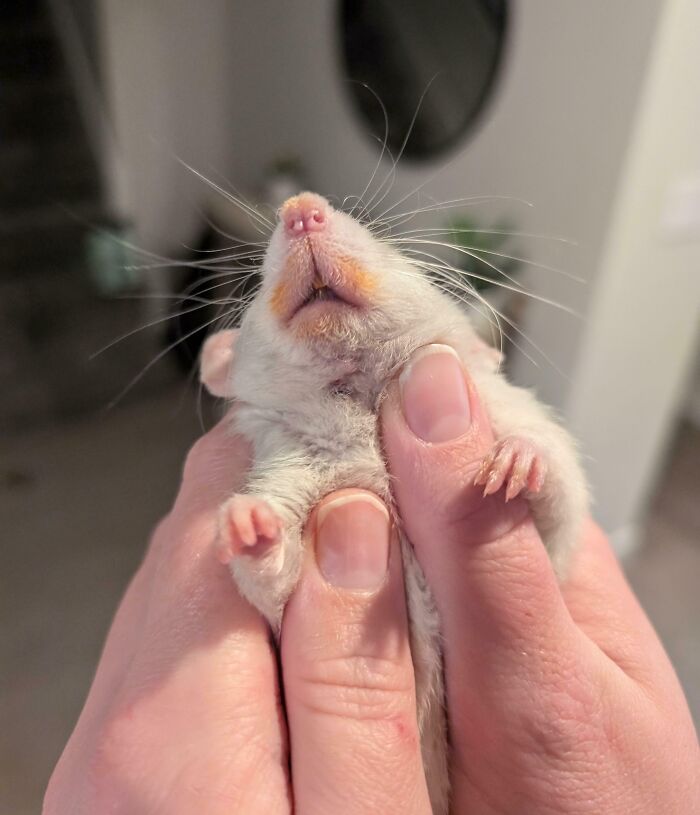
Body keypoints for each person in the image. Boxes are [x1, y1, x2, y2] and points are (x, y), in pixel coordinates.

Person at [44, 347, 699, 814]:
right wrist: (265, 539)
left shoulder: (476, 387)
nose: (305, 219)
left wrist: (532, 462)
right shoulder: (284, 434)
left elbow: (559, 529)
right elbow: (275, 590)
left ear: (470, 342)